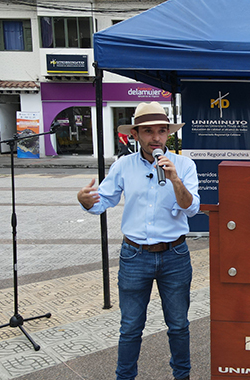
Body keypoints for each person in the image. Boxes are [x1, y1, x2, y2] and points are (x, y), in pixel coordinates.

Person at [77, 102, 200, 380]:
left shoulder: (183, 165)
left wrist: (175, 180)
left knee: (178, 324)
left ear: (168, 133)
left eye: (161, 131)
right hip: (134, 256)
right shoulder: (123, 165)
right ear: (136, 134)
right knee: (130, 326)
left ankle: (182, 376)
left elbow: (191, 208)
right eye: (148, 131)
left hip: (175, 255)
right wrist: (85, 200)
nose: (155, 137)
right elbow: (102, 201)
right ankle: (125, 377)